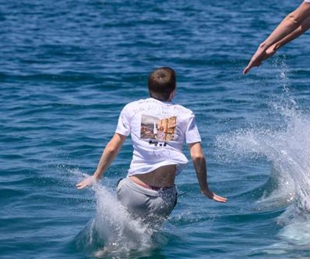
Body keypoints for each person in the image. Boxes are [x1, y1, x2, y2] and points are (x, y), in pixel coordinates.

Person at [76, 67, 226, 227]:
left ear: (149, 89)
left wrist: (96, 176)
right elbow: (197, 156)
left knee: (124, 235)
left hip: (133, 191)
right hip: (164, 197)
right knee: (147, 237)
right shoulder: (185, 115)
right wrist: (204, 188)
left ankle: (104, 250)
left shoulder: (132, 109)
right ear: (173, 91)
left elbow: (113, 147)